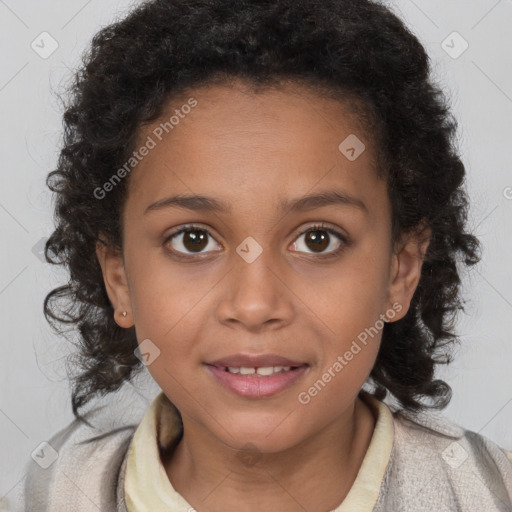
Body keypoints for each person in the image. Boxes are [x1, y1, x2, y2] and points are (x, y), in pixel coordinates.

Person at [16, 0, 512, 510]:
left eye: (318, 239)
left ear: (400, 271)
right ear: (118, 278)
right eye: (193, 240)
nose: (254, 305)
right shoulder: (49, 495)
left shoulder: (489, 492)